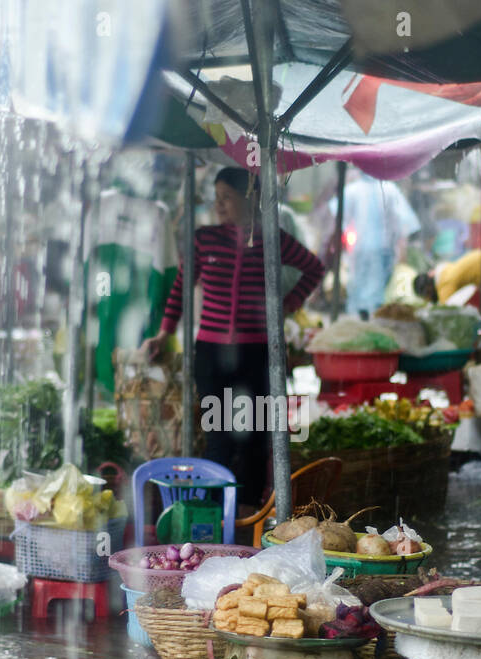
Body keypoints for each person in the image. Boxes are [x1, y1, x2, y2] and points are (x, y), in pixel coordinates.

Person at [144, 166, 325, 507]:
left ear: (250, 197)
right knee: (220, 436)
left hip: (257, 356)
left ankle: (248, 518)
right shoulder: (204, 239)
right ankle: (214, 517)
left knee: (255, 438)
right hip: (212, 356)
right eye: (217, 198)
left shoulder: (273, 240)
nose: (219, 205)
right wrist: (163, 334)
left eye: (227, 198)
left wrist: (286, 305)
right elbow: (181, 289)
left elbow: (314, 268)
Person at [337, 169, 421, 315]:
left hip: (360, 250)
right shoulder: (390, 189)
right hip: (382, 249)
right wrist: (401, 251)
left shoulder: (351, 190)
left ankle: (361, 319)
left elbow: (338, 221)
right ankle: (374, 316)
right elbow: (403, 224)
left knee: (359, 288)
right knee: (378, 292)